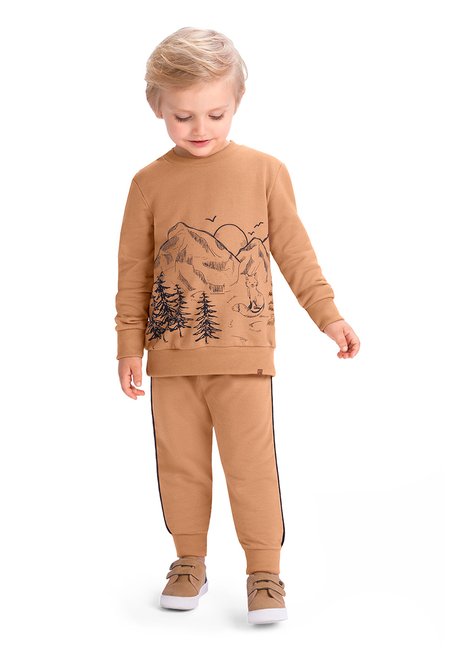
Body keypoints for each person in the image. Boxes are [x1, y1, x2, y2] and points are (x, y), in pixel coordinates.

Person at [114, 26, 360, 625]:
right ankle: (189, 562)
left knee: (251, 468)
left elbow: (295, 254)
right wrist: (127, 346)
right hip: (171, 362)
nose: (200, 128)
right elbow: (134, 272)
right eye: (182, 117)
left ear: (237, 102)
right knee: (180, 467)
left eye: (215, 114)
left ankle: (264, 571)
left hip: (245, 360)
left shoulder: (264, 172)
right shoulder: (147, 184)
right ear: (157, 108)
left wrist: (328, 316)